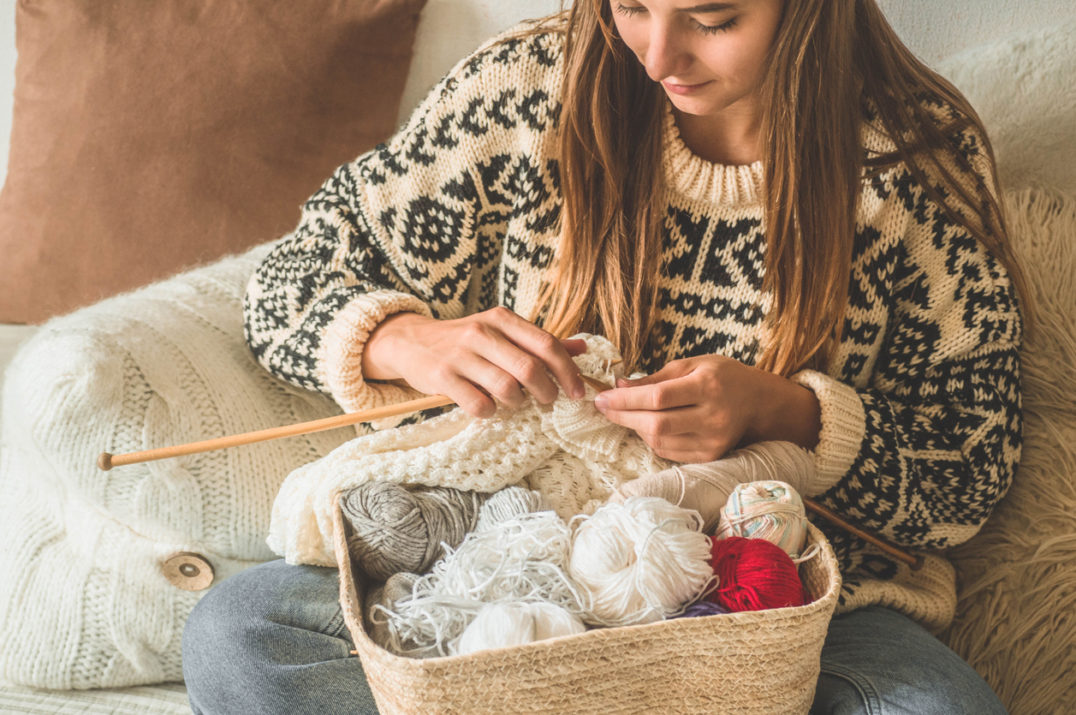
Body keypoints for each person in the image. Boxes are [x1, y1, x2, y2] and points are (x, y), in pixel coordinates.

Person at [183, 0, 1027, 712]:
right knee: (238, 634)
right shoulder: (524, 93)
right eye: (630, 4)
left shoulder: (913, 161)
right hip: (500, 569)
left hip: (775, 609)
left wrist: (791, 414)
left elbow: (970, 468)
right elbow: (290, 277)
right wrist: (409, 341)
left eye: (713, 18)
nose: (658, 55)